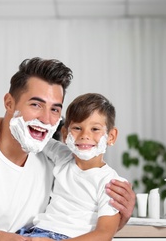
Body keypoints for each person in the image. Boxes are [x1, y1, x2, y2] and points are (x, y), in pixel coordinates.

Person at [0, 57, 135, 240]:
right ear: (9, 103)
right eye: (36, 105)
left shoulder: (51, 158)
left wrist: (119, 216)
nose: (47, 119)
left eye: (55, 109)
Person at [19, 92, 125, 240]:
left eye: (95, 129)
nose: (84, 135)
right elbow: (33, 135)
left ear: (111, 136)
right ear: (65, 134)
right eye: (77, 128)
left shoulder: (111, 182)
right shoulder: (62, 155)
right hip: (37, 231)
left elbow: (104, 234)